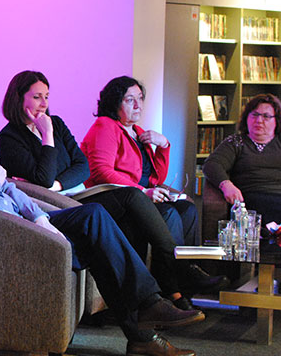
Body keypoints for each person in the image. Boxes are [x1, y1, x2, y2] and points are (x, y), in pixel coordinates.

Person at [0, 90, 203, 356]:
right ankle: (145, 321)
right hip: (2, 241)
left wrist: (39, 217)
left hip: (23, 226)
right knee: (99, 239)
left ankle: (145, 320)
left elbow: (11, 189)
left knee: (94, 217)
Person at [0, 70, 224, 309]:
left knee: (181, 208)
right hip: (58, 204)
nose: (44, 104)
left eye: (47, 97)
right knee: (134, 196)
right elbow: (44, 177)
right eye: (36, 97)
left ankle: (178, 280)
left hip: (77, 193)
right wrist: (47, 136)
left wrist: (58, 182)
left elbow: (82, 167)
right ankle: (180, 271)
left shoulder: (58, 123)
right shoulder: (9, 138)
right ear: (18, 98)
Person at [80, 76, 225, 293]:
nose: (138, 105)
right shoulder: (106, 126)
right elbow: (101, 171)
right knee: (169, 214)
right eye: (130, 100)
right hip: (117, 200)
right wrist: (143, 192)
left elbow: (156, 179)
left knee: (187, 209)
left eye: (140, 98)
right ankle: (175, 284)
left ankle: (183, 282)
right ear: (115, 103)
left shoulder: (138, 133)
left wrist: (164, 146)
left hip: (141, 198)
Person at [203, 93, 281, 224]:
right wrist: (226, 185)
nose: (259, 120)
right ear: (246, 118)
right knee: (255, 220)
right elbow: (212, 164)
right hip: (252, 198)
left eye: (266, 116)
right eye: (254, 115)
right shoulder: (236, 142)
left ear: (277, 120)